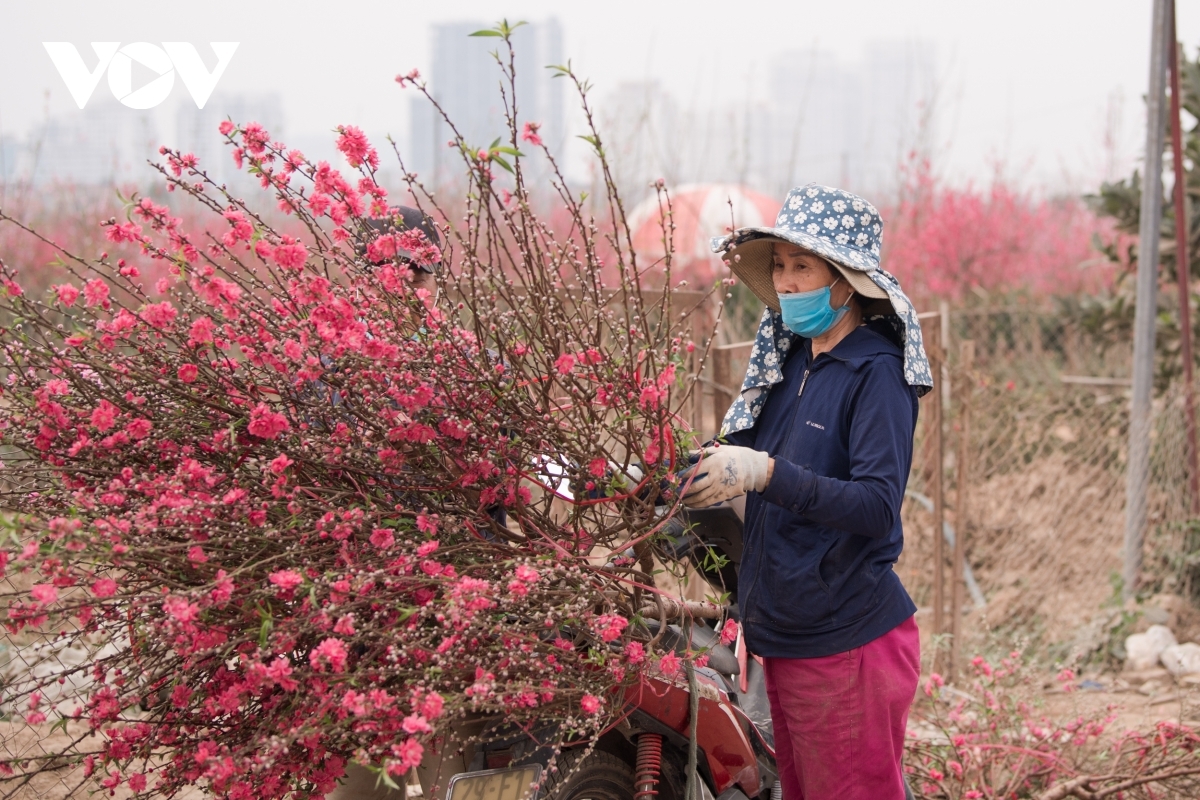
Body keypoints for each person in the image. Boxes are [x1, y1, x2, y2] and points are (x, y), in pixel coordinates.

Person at [680, 184, 933, 800]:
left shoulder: (875, 375)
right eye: (781, 266)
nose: (787, 281)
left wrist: (767, 472)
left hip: (846, 639)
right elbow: (756, 484)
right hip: (786, 635)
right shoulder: (792, 365)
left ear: (845, 280)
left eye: (803, 265)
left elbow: (874, 505)